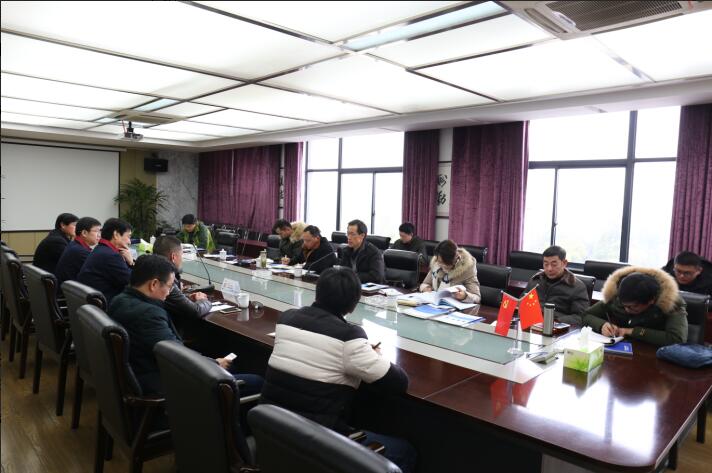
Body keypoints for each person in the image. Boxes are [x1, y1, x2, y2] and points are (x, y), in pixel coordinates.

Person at [261, 267, 416, 473]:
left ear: (317, 292)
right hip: (317, 444)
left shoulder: (286, 319)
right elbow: (399, 383)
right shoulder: (348, 336)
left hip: (273, 433)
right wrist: (374, 355)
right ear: (353, 306)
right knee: (405, 452)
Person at [109, 254, 263, 396]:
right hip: (165, 383)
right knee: (257, 382)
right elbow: (178, 358)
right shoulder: (149, 315)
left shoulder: (119, 300)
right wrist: (215, 363)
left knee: (232, 367)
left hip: (142, 371)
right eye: (169, 286)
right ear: (154, 284)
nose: (169, 293)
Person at [582, 267, 688, 347]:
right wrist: (602, 325)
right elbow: (586, 315)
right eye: (624, 305)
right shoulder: (615, 296)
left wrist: (631, 331)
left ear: (651, 300)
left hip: (653, 353)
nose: (627, 309)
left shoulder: (672, 303)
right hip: (620, 349)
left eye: (633, 306)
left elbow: (677, 339)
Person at [524, 246, 590, 325]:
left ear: (564, 263)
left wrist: (555, 322)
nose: (549, 269)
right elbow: (522, 304)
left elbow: (581, 317)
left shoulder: (577, 287)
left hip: (558, 327)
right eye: (546, 264)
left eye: (554, 264)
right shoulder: (536, 280)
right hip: (532, 324)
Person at [152, 235, 211, 324]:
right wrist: (203, 300)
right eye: (181, 255)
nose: (182, 259)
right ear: (173, 257)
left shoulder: (151, 271)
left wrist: (185, 298)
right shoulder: (166, 281)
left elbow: (172, 300)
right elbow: (195, 311)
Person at [77, 218, 134, 303]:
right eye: (128, 236)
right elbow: (133, 282)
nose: (129, 242)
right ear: (116, 234)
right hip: (106, 305)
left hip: (92, 304)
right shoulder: (111, 256)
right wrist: (131, 262)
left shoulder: (100, 249)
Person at [55, 216, 101, 286]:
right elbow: (99, 273)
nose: (99, 235)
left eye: (100, 231)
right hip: (69, 291)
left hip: (69, 289)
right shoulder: (79, 251)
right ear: (84, 233)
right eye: (96, 231)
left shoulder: (74, 245)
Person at [340, 219, 385, 284]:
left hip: (369, 287)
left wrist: (352, 276)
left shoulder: (373, 252)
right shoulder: (346, 251)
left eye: (352, 234)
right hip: (351, 285)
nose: (349, 238)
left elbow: (377, 276)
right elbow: (342, 271)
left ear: (362, 236)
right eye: (348, 234)